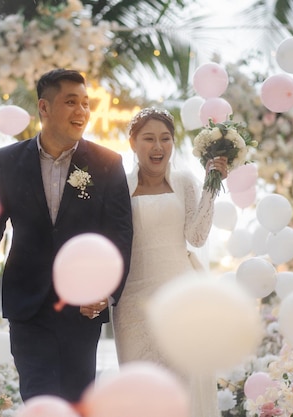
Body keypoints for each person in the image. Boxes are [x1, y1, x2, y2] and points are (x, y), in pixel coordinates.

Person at [0, 68, 133, 403]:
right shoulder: (8, 161)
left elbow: (120, 236)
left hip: (82, 306)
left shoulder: (107, 163)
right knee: (38, 397)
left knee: (76, 400)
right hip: (28, 305)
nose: (82, 111)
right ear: (44, 107)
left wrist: (106, 292)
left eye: (86, 103)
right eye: (71, 102)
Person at [111, 107, 227, 417]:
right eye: (148, 138)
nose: (158, 146)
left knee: (183, 387)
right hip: (134, 304)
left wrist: (211, 186)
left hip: (181, 298)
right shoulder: (119, 186)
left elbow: (197, 236)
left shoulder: (185, 181)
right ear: (133, 142)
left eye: (165, 138)